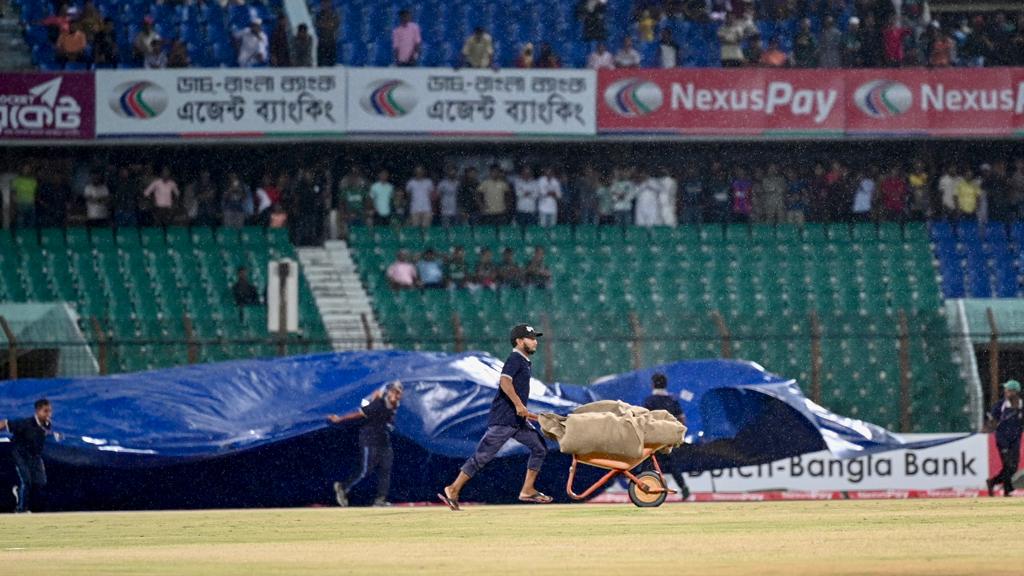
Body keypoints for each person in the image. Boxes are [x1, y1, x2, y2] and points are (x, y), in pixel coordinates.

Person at [438, 324, 551, 511]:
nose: (535, 341)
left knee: (539, 447)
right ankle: (453, 488)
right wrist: (518, 405)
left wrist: (522, 411)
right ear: (519, 341)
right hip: (504, 419)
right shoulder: (515, 358)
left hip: (516, 421)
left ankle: (527, 490)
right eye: (531, 338)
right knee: (483, 456)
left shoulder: (523, 361)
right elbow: (504, 382)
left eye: (535, 338)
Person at [328, 381, 404, 507]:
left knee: (386, 469)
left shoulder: (395, 404)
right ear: (389, 392)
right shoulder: (378, 403)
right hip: (369, 439)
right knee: (366, 470)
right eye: (395, 392)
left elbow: (388, 418)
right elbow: (360, 413)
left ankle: (380, 500)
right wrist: (340, 419)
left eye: (399, 393)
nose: (397, 395)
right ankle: (343, 487)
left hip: (383, 439)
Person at [1, 399, 61, 513]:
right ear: (38, 411)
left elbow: (42, 433)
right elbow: (5, 423)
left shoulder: (47, 424)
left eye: (50, 411)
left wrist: (54, 435)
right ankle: (21, 509)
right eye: (46, 411)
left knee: (40, 482)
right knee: (26, 481)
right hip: (20, 455)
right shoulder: (26, 423)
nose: (49, 414)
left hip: (35, 456)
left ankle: (20, 493)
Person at [641, 374, 691, 501]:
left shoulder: (649, 401)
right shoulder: (672, 400)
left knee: (649, 464)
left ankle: (649, 488)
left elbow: (643, 420)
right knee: (673, 465)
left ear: (652, 384)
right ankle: (683, 487)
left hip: (653, 439)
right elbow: (682, 419)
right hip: (668, 439)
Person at [986, 380, 1022, 497]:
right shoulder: (1001, 405)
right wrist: (991, 424)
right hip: (1002, 439)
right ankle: (1007, 489)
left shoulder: (1021, 405)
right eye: (1006, 389)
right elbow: (992, 420)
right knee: (1008, 464)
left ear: (1015, 392)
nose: (1006, 391)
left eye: (1009, 390)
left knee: (1013, 468)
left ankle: (993, 482)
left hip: (1015, 440)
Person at [12, 163, 38, 229]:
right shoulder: (16, 180)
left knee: (31, 222)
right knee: (20, 222)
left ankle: (30, 237)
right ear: (21, 169)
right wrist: (14, 204)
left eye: (28, 168)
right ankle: (21, 237)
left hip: (31, 204)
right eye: (25, 168)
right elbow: (13, 193)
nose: (26, 170)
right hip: (20, 203)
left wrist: (34, 201)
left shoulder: (33, 180)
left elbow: (35, 193)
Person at [315, 0, 339, 66]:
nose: (325, 5)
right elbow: (318, 24)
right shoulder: (319, 15)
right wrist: (327, 24)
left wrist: (326, 24)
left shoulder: (334, 14)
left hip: (331, 42)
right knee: (320, 64)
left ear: (330, 3)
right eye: (323, 3)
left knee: (331, 64)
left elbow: (335, 25)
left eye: (327, 2)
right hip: (321, 42)